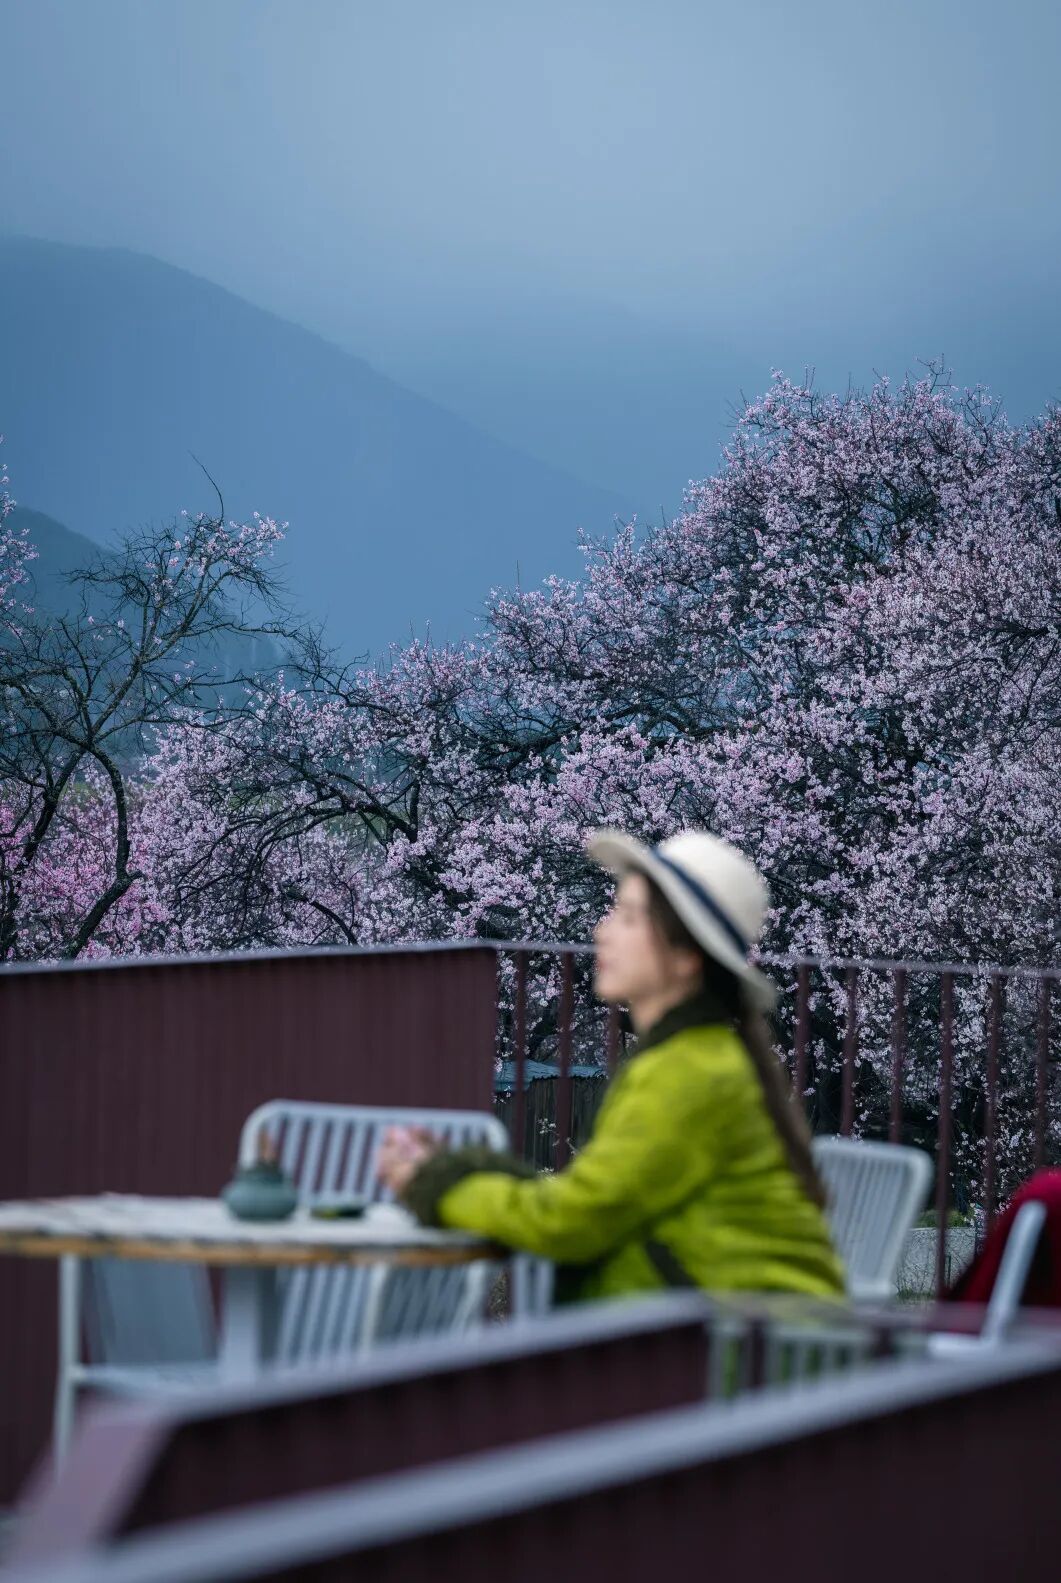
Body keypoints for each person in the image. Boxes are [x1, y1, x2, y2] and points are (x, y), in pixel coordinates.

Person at [378, 829, 844, 1302]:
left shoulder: (689, 1073)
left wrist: (435, 1183)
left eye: (628, 917)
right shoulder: (694, 1057)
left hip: (744, 1352)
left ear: (685, 957)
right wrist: (460, 1171)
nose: (601, 931)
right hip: (733, 1336)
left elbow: (571, 1224)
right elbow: (598, 1202)